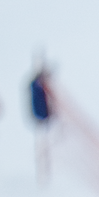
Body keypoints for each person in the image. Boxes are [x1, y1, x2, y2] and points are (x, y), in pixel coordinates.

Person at [26, 51, 57, 185]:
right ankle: (41, 172)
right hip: (39, 120)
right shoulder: (34, 84)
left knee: (49, 146)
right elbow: (31, 103)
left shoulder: (47, 83)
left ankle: (48, 171)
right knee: (40, 146)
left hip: (47, 120)